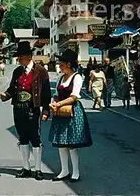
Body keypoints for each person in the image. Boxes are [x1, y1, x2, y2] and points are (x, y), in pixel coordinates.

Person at [0, 41, 51, 180]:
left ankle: (38, 169)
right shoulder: (17, 71)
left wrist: (45, 110)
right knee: (22, 138)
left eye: (20, 57)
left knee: (35, 138)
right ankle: (26, 168)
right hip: (18, 108)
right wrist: (5, 95)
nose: (18, 59)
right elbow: (12, 89)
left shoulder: (40, 71)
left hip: (33, 108)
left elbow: (46, 93)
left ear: (28, 56)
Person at [49, 49, 92, 182]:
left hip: (72, 112)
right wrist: (53, 103)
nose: (59, 66)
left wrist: (59, 104)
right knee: (62, 143)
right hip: (60, 111)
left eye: (61, 63)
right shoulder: (61, 78)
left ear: (68, 64)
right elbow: (56, 94)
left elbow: (74, 96)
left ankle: (76, 172)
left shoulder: (77, 77)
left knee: (72, 144)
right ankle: (64, 170)